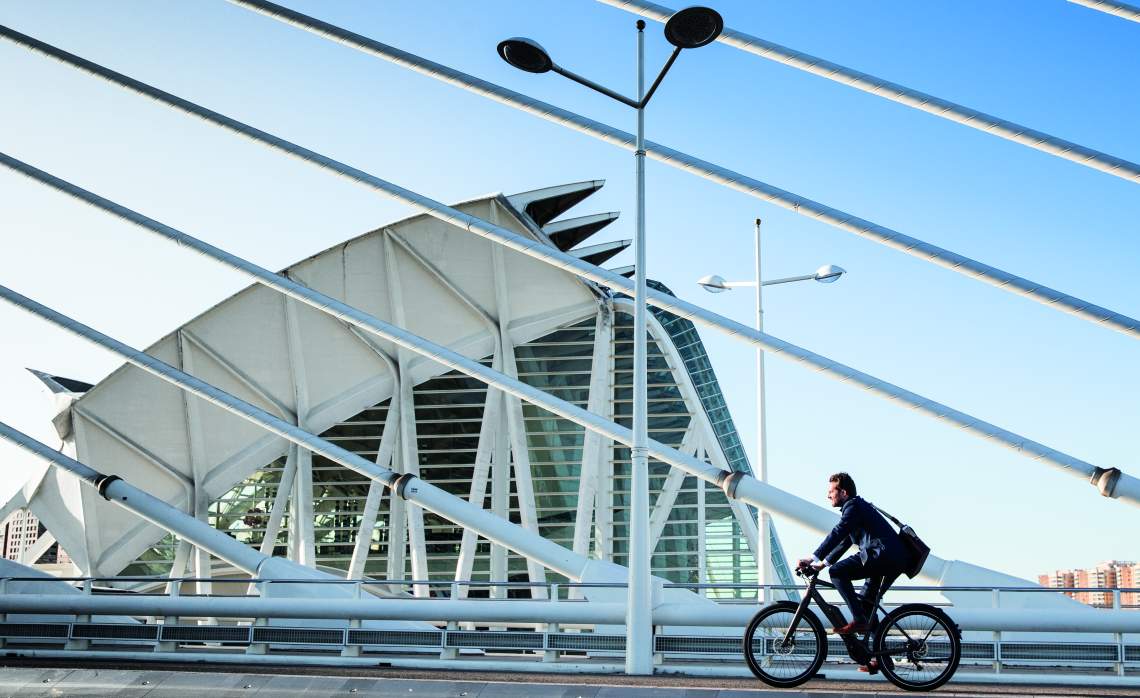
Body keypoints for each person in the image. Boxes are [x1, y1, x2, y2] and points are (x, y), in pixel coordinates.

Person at [798, 472, 909, 637]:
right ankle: (880, 660)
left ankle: (859, 620)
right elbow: (845, 541)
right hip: (889, 558)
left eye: (831, 491)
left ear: (843, 492)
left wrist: (813, 557)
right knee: (866, 608)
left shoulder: (853, 507)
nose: (828, 495)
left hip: (881, 556)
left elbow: (838, 532)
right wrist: (821, 564)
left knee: (836, 573)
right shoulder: (857, 508)